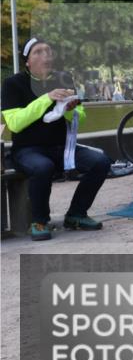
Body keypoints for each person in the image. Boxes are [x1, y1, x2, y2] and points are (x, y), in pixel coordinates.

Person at [1, 38, 111, 241]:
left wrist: (70, 110)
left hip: (63, 147)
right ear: (27, 61)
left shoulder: (64, 79)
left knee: (101, 162)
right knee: (43, 166)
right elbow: (15, 123)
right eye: (38, 52)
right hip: (27, 150)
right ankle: (40, 220)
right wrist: (47, 98)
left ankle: (76, 214)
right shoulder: (12, 84)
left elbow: (81, 117)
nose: (46, 56)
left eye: (49, 51)